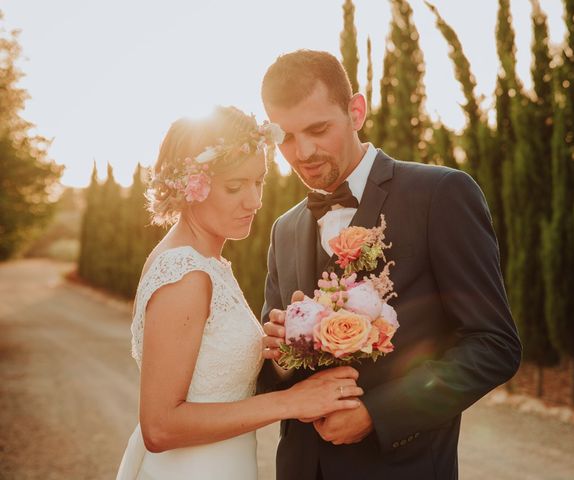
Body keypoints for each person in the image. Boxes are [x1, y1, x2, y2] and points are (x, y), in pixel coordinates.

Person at [259, 50, 522, 479]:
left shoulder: (441, 195)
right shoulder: (284, 229)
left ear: (356, 111)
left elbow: (494, 345)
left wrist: (377, 415)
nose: (302, 151)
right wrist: (279, 359)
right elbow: (274, 374)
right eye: (285, 137)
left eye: (318, 129)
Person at [116, 106, 364, 480]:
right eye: (235, 186)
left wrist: (285, 353)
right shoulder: (186, 274)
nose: (255, 201)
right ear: (191, 187)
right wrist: (290, 402)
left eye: (259, 182)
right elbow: (160, 426)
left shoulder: (206, 262)